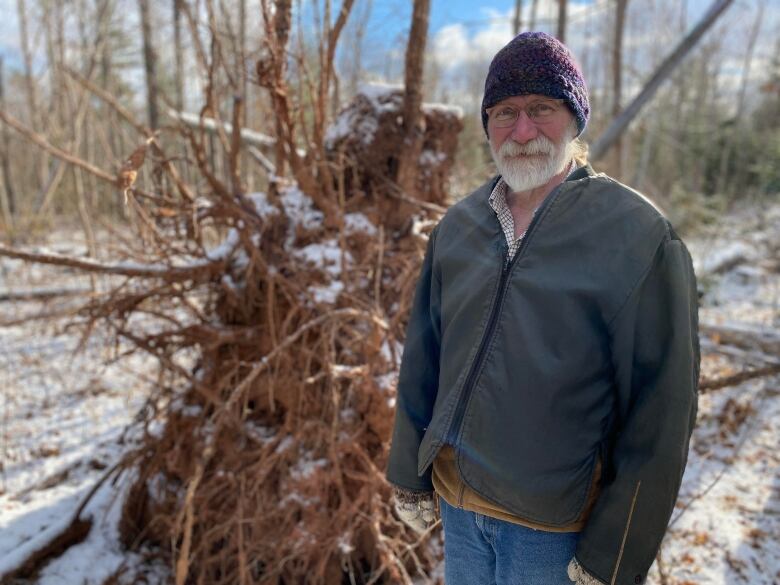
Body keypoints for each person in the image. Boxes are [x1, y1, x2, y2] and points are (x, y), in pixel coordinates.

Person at [386, 31, 700, 585]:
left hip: (553, 532)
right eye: (505, 111)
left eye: (542, 108)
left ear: (574, 118)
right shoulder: (458, 229)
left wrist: (615, 552)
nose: (523, 130)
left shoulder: (637, 235)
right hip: (458, 511)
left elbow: (662, 410)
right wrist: (408, 471)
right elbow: (424, 360)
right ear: (486, 124)